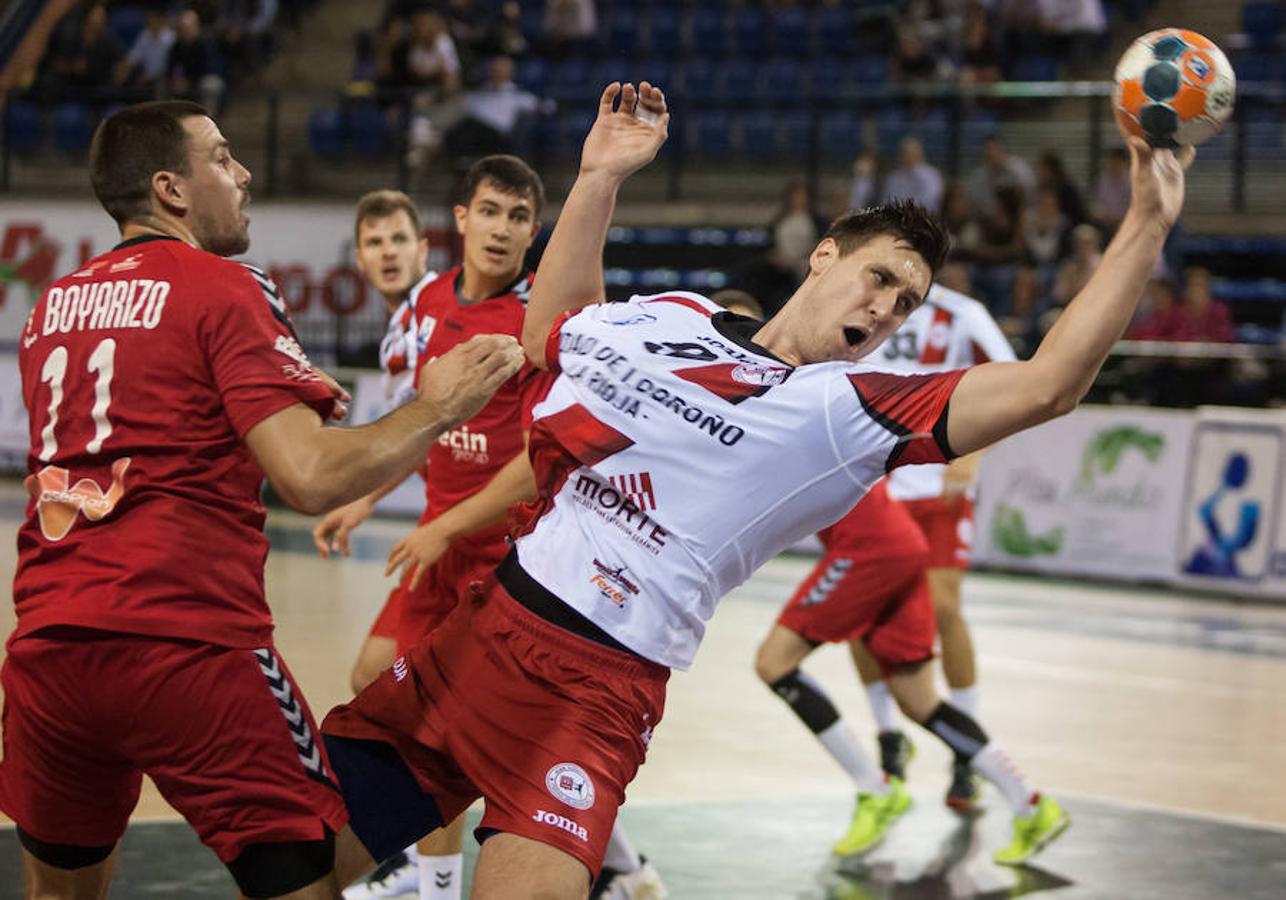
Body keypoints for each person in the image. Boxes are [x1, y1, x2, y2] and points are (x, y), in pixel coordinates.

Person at [319, 82, 1193, 896]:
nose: (888, 309)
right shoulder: (677, 316)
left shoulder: (848, 410)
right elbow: (552, 332)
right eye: (881, 277)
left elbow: (1050, 384)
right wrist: (599, 177)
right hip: (488, 623)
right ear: (823, 255)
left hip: (599, 687)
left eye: (907, 303)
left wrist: (1146, 224)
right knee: (302, 860)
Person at [0, 100, 523, 900]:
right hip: (187, 647)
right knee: (306, 882)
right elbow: (308, 475)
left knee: (57, 892)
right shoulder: (221, 284)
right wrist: (437, 407)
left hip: (47, 653)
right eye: (222, 156)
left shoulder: (50, 309)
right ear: (172, 190)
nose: (243, 174)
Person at [848, 283, 1018, 812]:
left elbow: (1013, 381)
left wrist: (975, 452)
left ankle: (965, 752)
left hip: (937, 483)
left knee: (944, 608)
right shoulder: (855, 301)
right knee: (862, 613)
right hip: (873, 483)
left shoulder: (961, 313)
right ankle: (888, 737)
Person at [313, 189, 438, 900]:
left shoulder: (437, 314)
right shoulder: (402, 330)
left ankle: (428, 877)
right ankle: (625, 869)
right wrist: (362, 502)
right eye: (375, 242)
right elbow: (423, 435)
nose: (388, 251)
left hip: (468, 537)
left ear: (424, 247)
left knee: (430, 718)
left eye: (399, 238)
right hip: (444, 531)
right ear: (360, 258)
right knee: (376, 677)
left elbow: (449, 428)